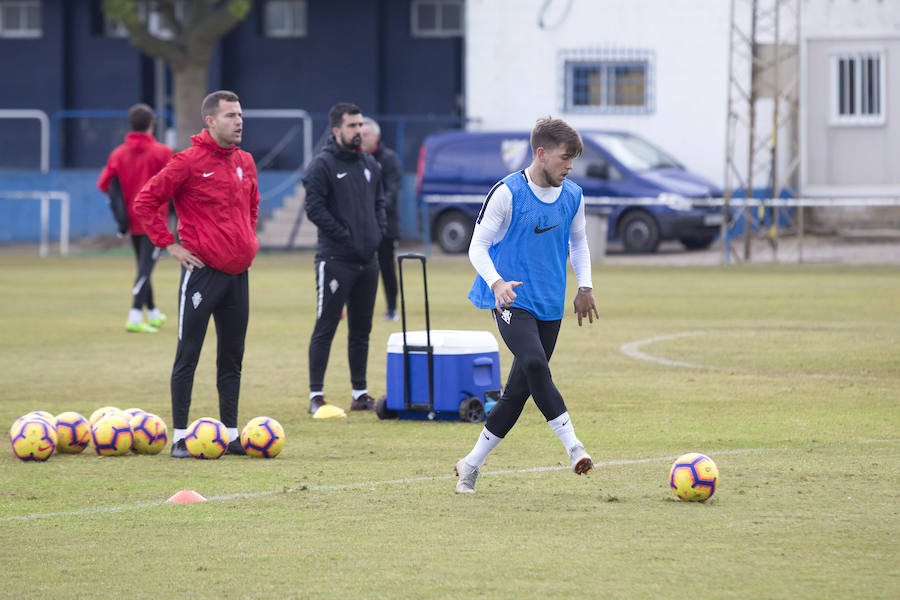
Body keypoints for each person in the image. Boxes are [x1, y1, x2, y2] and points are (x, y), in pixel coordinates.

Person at [454, 116, 599, 494]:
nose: (570, 166)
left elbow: (579, 243)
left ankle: (470, 464)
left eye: (573, 159)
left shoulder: (573, 195)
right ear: (541, 153)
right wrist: (496, 282)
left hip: (550, 303)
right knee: (535, 363)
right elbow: (476, 247)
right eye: (565, 158)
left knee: (518, 392)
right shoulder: (507, 192)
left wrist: (585, 286)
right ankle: (575, 447)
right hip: (510, 299)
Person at [133, 90, 260, 458]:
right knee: (188, 354)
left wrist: (246, 241)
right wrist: (169, 244)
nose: (239, 121)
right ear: (210, 121)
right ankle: (179, 437)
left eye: (240, 115)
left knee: (232, 357)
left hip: (238, 275)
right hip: (202, 273)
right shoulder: (187, 162)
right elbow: (145, 201)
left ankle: (231, 434)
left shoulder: (246, 161)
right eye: (231, 116)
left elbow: (252, 205)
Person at [302, 102, 387, 415]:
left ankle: (359, 393)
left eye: (360, 124)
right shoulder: (322, 165)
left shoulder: (370, 164)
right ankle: (316, 395)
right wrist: (345, 236)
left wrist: (377, 233)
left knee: (361, 329)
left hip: (368, 260)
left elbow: (380, 203)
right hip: (336, 259)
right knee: (326, 325)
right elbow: (314, 209)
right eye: (352, 125)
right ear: (337, 129)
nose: (359, 130)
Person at [97, 103, 173, 333]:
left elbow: (104, 184)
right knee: (145, 270)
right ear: (151, 125)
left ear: (131, 125)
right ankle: (134, 315)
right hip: (155, 221)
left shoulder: (118, 154)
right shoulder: (162, 152)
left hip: (131, 219)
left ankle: (154, 313)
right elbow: (174, 184)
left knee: (143, 267)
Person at [360, 117, 404, 322]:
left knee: (386, 267)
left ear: (376, 136)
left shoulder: (388, 159)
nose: (362, 137)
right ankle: (358, 307)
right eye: (360, 133)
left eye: (366, 134)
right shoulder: (357, 159)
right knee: (359, 268)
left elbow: (391, 192)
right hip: (361, 226)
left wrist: (372, 210)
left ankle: (392, 308)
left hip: (385, 226)